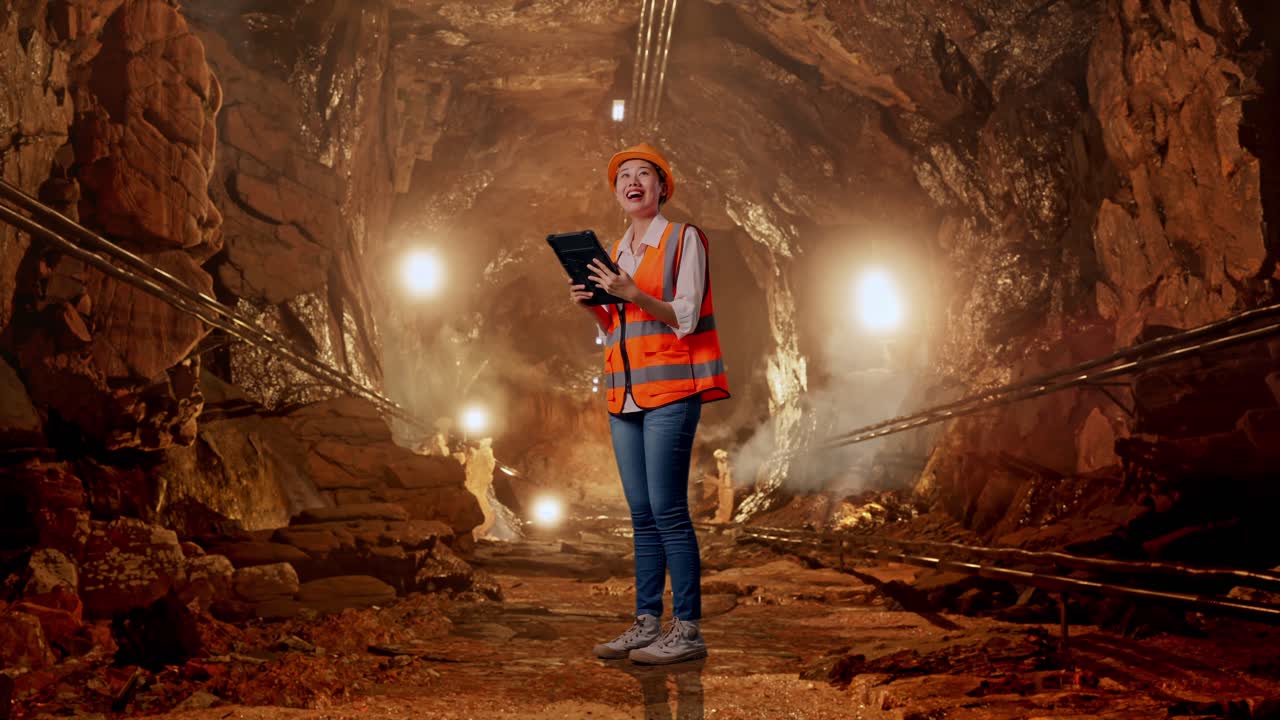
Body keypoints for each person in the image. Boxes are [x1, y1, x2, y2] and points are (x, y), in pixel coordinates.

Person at [568, 143, 730, 665]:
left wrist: (631, 291)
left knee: (669, 511)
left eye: (644, 175)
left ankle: (687, 629)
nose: (633, 181)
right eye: (624, 177)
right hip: (625, 393)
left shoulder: (684, 239)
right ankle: (646, 622)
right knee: (640, 514)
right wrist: (597, 306)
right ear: (617, 193)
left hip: (671, 391)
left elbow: (682, 315)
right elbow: (619, 329)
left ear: (662, 188)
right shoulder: (618, 249)